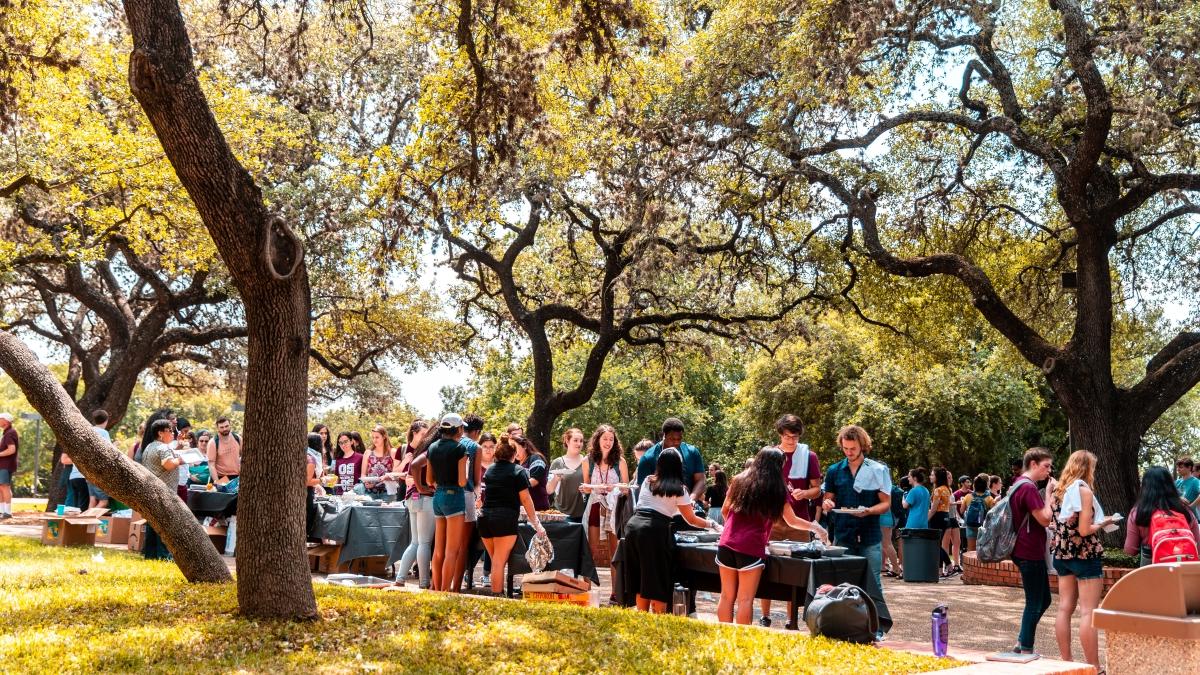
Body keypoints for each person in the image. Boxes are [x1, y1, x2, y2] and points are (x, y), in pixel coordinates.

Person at [719, 447, 827, 625]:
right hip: (751, 547)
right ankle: (739, 640)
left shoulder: (738, 480)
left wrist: (733, 529)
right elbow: (792, 521)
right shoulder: (776, 488)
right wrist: (815, 527)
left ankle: (722, 636)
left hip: (725, 543)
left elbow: (725, 511)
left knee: (726, 596)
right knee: (745, 599)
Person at [820, 425, 892, 636]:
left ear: (863, 445)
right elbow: (829, 498)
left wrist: (869, 511)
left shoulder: (877, 469)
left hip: (869, 533)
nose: (849, 452)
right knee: (844, 582)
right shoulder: (834, 470)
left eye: (853, 448)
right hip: (843, 533)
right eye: (845, 448)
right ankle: (847, 627)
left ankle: (876, 628)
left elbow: (885, 503)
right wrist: (827, 504)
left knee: (874, 583)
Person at [1049, 450, 1117, 670]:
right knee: (1088, 611)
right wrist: (1105, 522)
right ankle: (1093, 668)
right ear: (1087, 468)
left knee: (1064, 608)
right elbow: (1085, 530)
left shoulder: (1057, 491)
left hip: (1062, 554)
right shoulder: (1083, 491)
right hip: (1085, 555)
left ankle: (1066, 664)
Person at [625, 448, 714, 613]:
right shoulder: (679, 489)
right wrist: (713, 525)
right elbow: (691, 519)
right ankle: (659, 622)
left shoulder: (648, 481)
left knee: (640, 579)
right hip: (654, 531)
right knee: (657, 580)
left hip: (633, 527)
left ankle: (641, 619)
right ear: (679, 466)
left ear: (659, 464)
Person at [760, 413, 822, 628]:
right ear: (780, 434)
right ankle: (765, 615)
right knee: (765, 565)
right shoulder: (770, 455)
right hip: (771, 520)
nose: (791, 441)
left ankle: (790, 618)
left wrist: (804, 493)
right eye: (787, 437)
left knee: (796, 570)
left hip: (799, 521)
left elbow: (817, 489)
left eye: (795, 437)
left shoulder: (809, 456)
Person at [477, 433, 546, 595]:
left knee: (496, 561)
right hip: (504, 520)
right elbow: (526, 499)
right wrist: (536, 523)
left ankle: (497, 594)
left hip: (485, 519)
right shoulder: (518, 471)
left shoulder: (490, 470)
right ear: (514, 454)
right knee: (499, 562)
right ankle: (497, 596)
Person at [1008, 447, 1057, 656]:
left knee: (1043, 599)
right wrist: (1049, 494)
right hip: (1029, 551)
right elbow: (1045, 518)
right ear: (1034, 464)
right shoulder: (1028, 488)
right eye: (1046, 466)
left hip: (1025, 549)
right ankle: (1026, 647)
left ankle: (1023, 640)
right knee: (1035, 602)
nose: (1049, 471)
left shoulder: (1019, 485)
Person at [579, 424, 629, 597]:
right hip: (595, 506)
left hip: (614, 508)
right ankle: (587, 590)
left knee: (614, 550)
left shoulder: (620, 462)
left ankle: (616, 593)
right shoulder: (587, 461)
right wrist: (593, 487)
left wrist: (612, 487)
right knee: (590, 549)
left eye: (611, 439)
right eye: (605, 439)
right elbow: (585, 487)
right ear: (597, 440)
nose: (608, 442)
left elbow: (626, 488)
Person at [1126, 466, 1200, 567]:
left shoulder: (1138, 512)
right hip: (1184, 569)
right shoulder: (1185, 511)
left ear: (1145, 487)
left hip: (1152, 571)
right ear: (1171, 485)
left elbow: (1131, 550)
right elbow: (1198, 546)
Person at [426, 413, 468, 592]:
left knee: (438, 549)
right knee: (452, 551)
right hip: (454, 496)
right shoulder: (460, 449)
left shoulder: (432, 448)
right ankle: (445, 592)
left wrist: (440, 485)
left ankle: (436, 590)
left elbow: (429, 480)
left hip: (438, 496)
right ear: (457, 429)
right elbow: (462, 482)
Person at [396, 421, 435, 589]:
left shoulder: (418, 451)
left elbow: (410, 474)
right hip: (425, 499)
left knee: (416, 542)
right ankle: (424, 582)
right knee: (424, 543)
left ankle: (400, 579)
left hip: (412, 498)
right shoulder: (429, 452)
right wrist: (425, 487)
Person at [636, 418, 707, 506]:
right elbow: (642, 490)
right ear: (664, 435)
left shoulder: (692, 452)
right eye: (672, 439)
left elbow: (701, 480)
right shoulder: (648, 458)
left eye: (679, 439)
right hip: (661, 511)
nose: (676, 442)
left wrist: (690, 500)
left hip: (690, 507)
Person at [140, 419, 183, 560]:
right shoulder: (163, 448)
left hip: (151, 490)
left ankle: (151, 555)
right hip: (164, 492)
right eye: (170, 430)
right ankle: (164, 556)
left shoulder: (150, 447)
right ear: (160, 433)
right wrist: (181, 460)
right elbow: (168, 465)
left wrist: (177, 450)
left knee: (153, 525)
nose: (172, 433)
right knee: (165, 525)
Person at [454, 414, 485, 591]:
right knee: (463, 545)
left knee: (447, 544)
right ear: (477, 432)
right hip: (466, 495)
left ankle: (440, 583)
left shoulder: (450, 442)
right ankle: (457, 586)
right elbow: (476, 480)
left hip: (444, 495)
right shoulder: (474, 447)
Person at [466, 431, 497, 586]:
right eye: (485, 446)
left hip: (492, 511)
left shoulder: (498, 465)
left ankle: (487, 575)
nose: (488, 450)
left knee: (491, 543)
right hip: (475, 509)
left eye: (491, 446)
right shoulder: (475, 465)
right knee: (475, 543)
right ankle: (468, 571)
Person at [547, 428, 587, 522]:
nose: (579, 444)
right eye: (575, 440)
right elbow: (549, 490)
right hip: (562, 515)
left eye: (581, 441)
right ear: (567, 441)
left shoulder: (587, 461)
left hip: (583, 514)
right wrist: (556, 479)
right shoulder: (557, 462)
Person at [929, 467, 960, 577]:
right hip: (946, 517)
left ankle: (948, 567)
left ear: (937, 477)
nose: (930, 477)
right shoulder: (947, 489)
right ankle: (942, 570)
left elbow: (934, 508)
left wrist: (926, 519)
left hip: (937, 517)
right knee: (939, 544)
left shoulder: (938, 490)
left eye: (932, 475)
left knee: (936, 545)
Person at [205, 417, 241, 492]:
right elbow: (211, 464)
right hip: (221, 477)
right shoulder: (213, 442)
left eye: (226, 426)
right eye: (221, 427)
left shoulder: (238, 438)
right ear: (217, 428)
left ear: (230, 425)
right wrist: (217, 482)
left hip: (236, 477)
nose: (224, 429)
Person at [87, 410, 114, 509]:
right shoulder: (104, 433)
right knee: (103, 502)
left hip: (88, 471)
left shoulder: (89, 431)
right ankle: (88, 521)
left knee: (92, 501)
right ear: (106, 420)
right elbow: (109, 451)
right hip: (99, 472)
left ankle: (86, 523)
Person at [515, 436, 550, 511]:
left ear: (524, 446)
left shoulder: (536, 458)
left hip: (538, 508)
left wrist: (513, 487)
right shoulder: (514, 463)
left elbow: (534, 481)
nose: (513, 452)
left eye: (515, 448)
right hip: (521, 508)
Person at [962, 473, 994, 552]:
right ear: (986, 486)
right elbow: (994, 513)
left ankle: (970, 564)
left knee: (971, 549)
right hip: (983, 527)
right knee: (983, 550)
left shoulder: (968, 497)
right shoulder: (989, 498)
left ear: (974, 486)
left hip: (970, 525)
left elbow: (961, 510)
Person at [361, 425, 395, 495]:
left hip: (388, 493)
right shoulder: (368, 452)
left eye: (377, 437)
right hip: (370, 493)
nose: (374, 440)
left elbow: (396, 473)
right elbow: (363, 474)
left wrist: (387, 478)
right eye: (373, 437)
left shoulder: (393, 452)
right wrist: (365, 482)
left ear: (384, 437)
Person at [304, 432, 325, 540]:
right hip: (307, 494)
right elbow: (306, 481)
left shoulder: (309, 455)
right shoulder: (311, 459)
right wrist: (323, 480)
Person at [0, 413, 17, 519]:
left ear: (6, 421)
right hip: (2, 465)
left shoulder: (10, 433)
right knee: (0, 487)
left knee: (4, 486)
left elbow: (12, 449)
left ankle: (8, 512)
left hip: (6, 465)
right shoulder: (6, 433)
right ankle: (2, 511)